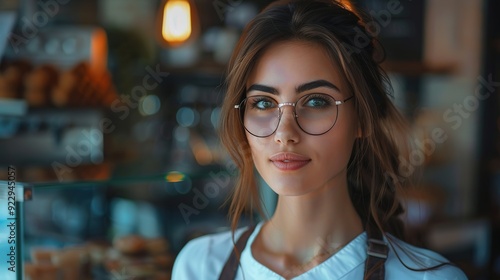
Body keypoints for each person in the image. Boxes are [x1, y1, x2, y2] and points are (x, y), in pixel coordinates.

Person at [172, 0, 468, 279]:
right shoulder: (199, 267)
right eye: (263, 103)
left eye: (315, 102)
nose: (285, 134)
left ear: (362, 119)